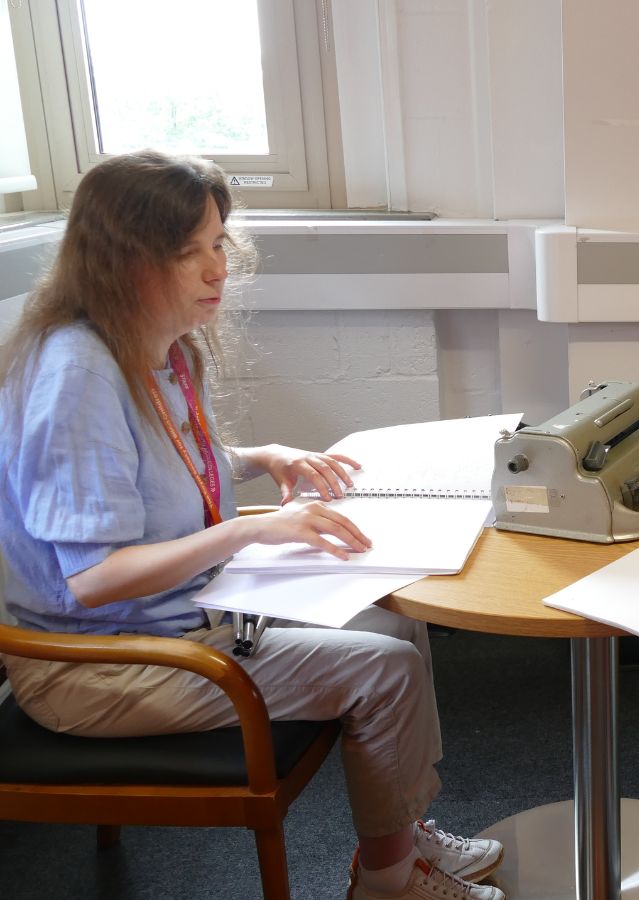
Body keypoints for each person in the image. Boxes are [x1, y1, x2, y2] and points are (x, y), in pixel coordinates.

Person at [0, 150, 505, 900]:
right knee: (383, 666)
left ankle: (402, 834)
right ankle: (390, 882)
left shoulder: (147, 348)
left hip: (181, 619)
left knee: (395, 616)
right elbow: (95, 579)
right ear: (124, 262)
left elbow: (157, 466)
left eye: (217, 246)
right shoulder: (77, 374)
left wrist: (260, 456)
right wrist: (249, 532)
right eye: (189, 254)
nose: (217, 272)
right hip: (99, 667)